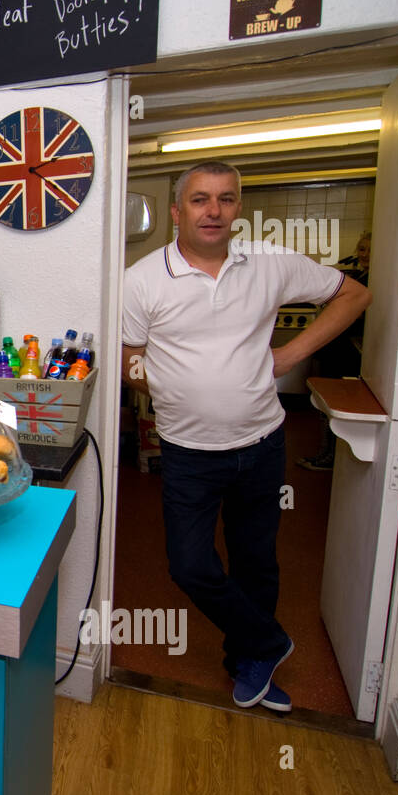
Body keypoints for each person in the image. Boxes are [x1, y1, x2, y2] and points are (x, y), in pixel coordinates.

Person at [120, 161, 371, 712]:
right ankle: (269, 641)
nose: (214, 211)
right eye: (201, 199)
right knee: (189, 564)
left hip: (261, 444)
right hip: (186, 451)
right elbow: (128, 357)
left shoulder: (269, 263)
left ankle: (250, 660)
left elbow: (353, 295)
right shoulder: (141, 280)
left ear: (237, 208)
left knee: (255, 559)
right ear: (177, 210)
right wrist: (161, 380)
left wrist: (289, 355)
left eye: (226, 199)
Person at [298, 230, 371, 471]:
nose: (366, 255)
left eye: (371, 250)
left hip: (349, 353)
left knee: (335, 408)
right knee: (325, 404)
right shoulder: (359, 275)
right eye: (362, 249)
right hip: (336, 350)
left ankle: (330, 457)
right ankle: (327, 454)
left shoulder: (370, 282)